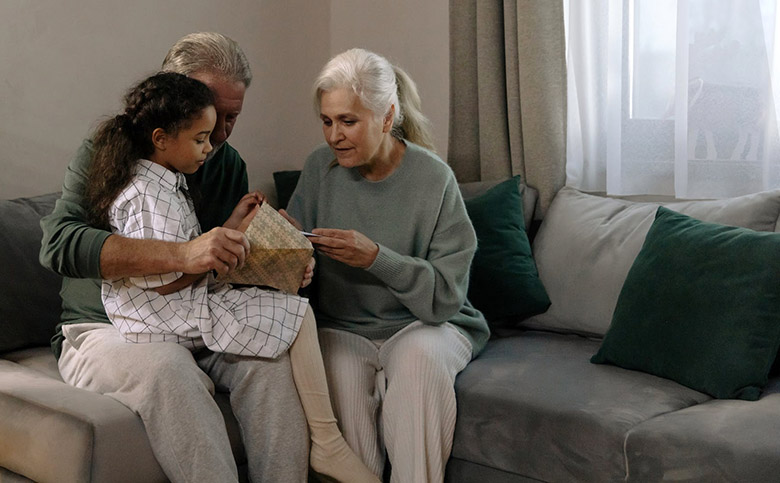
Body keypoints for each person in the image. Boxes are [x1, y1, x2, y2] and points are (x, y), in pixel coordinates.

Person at [82, 71, 378, 483]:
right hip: (162, 316)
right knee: (294, 314)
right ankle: (327, 440)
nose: (211, 147)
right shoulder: (149, 195)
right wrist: (212, 261)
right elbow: (161, 279)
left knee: (281, 328)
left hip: (169, 308)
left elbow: (185, 251)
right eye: (200, 138)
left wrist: (234, 227)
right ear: (161, 138)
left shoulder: (162, 183)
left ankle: (321, 445)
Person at [40, 33, 306, 482]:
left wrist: (284, 257)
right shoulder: (106, 151)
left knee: (271, 364)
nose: (220, 132)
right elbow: (60, 244)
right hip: (106, 329)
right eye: (212, 116)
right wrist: (183, 253)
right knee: (168, 369)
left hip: (194, 319)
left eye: (232, 117)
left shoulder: (224, 164)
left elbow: (226, 268)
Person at [281, 48, 491, 483]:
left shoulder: (434, 178)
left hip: (425, 325)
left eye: (348, 121)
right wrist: (282, 241)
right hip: (342, 328)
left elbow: (446, 297)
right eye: (327, 121)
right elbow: (299, 270)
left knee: (418, 363)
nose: (334, 136)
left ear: (387, 114)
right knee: (340, 401)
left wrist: (377, 258)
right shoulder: (319, 169)